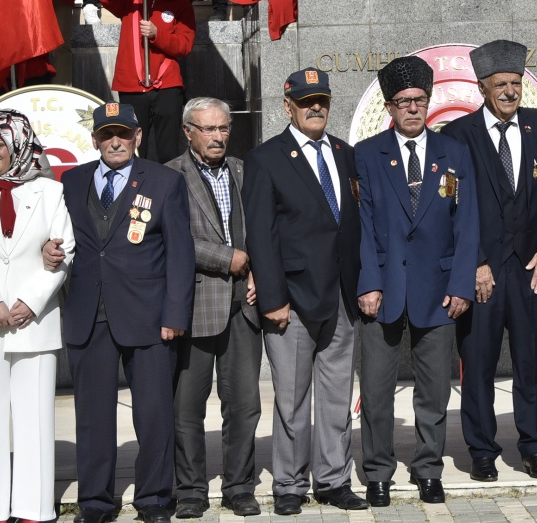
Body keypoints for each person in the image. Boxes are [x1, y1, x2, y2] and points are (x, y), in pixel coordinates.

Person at [443, 40, 537, 481]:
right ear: (482, 87)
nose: (511, 92)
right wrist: (473, 262)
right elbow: (453, 208)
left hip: (531, 268)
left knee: (531, 362)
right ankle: (481, 450)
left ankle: (535, 446)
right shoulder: (457, 135)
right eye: (501, 84)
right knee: (477, 364)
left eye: (516, 83)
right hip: (483, 272)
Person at [354, 56, 479, 506]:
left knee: (433, 391)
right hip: (382, 290)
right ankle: (378, 473)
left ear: (429, 103)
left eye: (420, 101)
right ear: (389, 107)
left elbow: (468, 225)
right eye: (403, 102)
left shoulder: (454, 154)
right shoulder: (367, 155)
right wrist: (368, 282)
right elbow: (363, 226)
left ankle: (429, 468)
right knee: (376, 390)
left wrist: (463, 284)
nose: (412, 109)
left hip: (439, 291)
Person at [61, 103, 194, 523]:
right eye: (106, 134)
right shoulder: (71, 181)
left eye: (122, 133)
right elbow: (55, 235)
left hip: (149, 316)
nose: (114, 141)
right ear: (95, 138)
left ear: (137, 136)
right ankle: (96, 502)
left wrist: (175, 314)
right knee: (93, 417)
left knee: (153, 413)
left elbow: (180, 255)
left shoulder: (165, 181)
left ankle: (154, 498)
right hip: (89, 314)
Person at [243, 71, 366, 514]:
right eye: (306, 101)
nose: (316, 108)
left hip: (341, 296)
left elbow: (354, 228)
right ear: (288, 106)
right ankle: (290, 485)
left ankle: (333, 479)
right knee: (292, 399)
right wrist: (273, 298)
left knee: (336, 396)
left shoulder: (345, 154)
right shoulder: (266, 159)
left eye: (322, 100)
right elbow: (260, 235)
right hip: (290, 300)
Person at [0, 110, 73, 523]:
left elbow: (63, 250)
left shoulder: (50, 192)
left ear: (19, 144)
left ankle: (33, 508)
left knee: (34, 419)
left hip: (34, 322)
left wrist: (30, 300)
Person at [166, 98, 263, 519]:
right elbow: (174, 240)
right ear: (188, 131)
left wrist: (259, 269)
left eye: (224, 128)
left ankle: (240, 487)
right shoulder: (169, 176)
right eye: (208, 129)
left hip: (245, 306)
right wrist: (230, 259)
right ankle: (190, 491)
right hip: (195, 306)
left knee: (243, 405)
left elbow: (263, 227)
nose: (218, 136)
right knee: (186, 407)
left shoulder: (246, 170)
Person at [96, 0, 195, 163]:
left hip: (167, 85)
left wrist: (157, 34)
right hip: (132, 85)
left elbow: (184, 45)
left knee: (169, 150)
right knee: (135, 149)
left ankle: (169, 190)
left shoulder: (179, 3)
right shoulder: (130, 0)